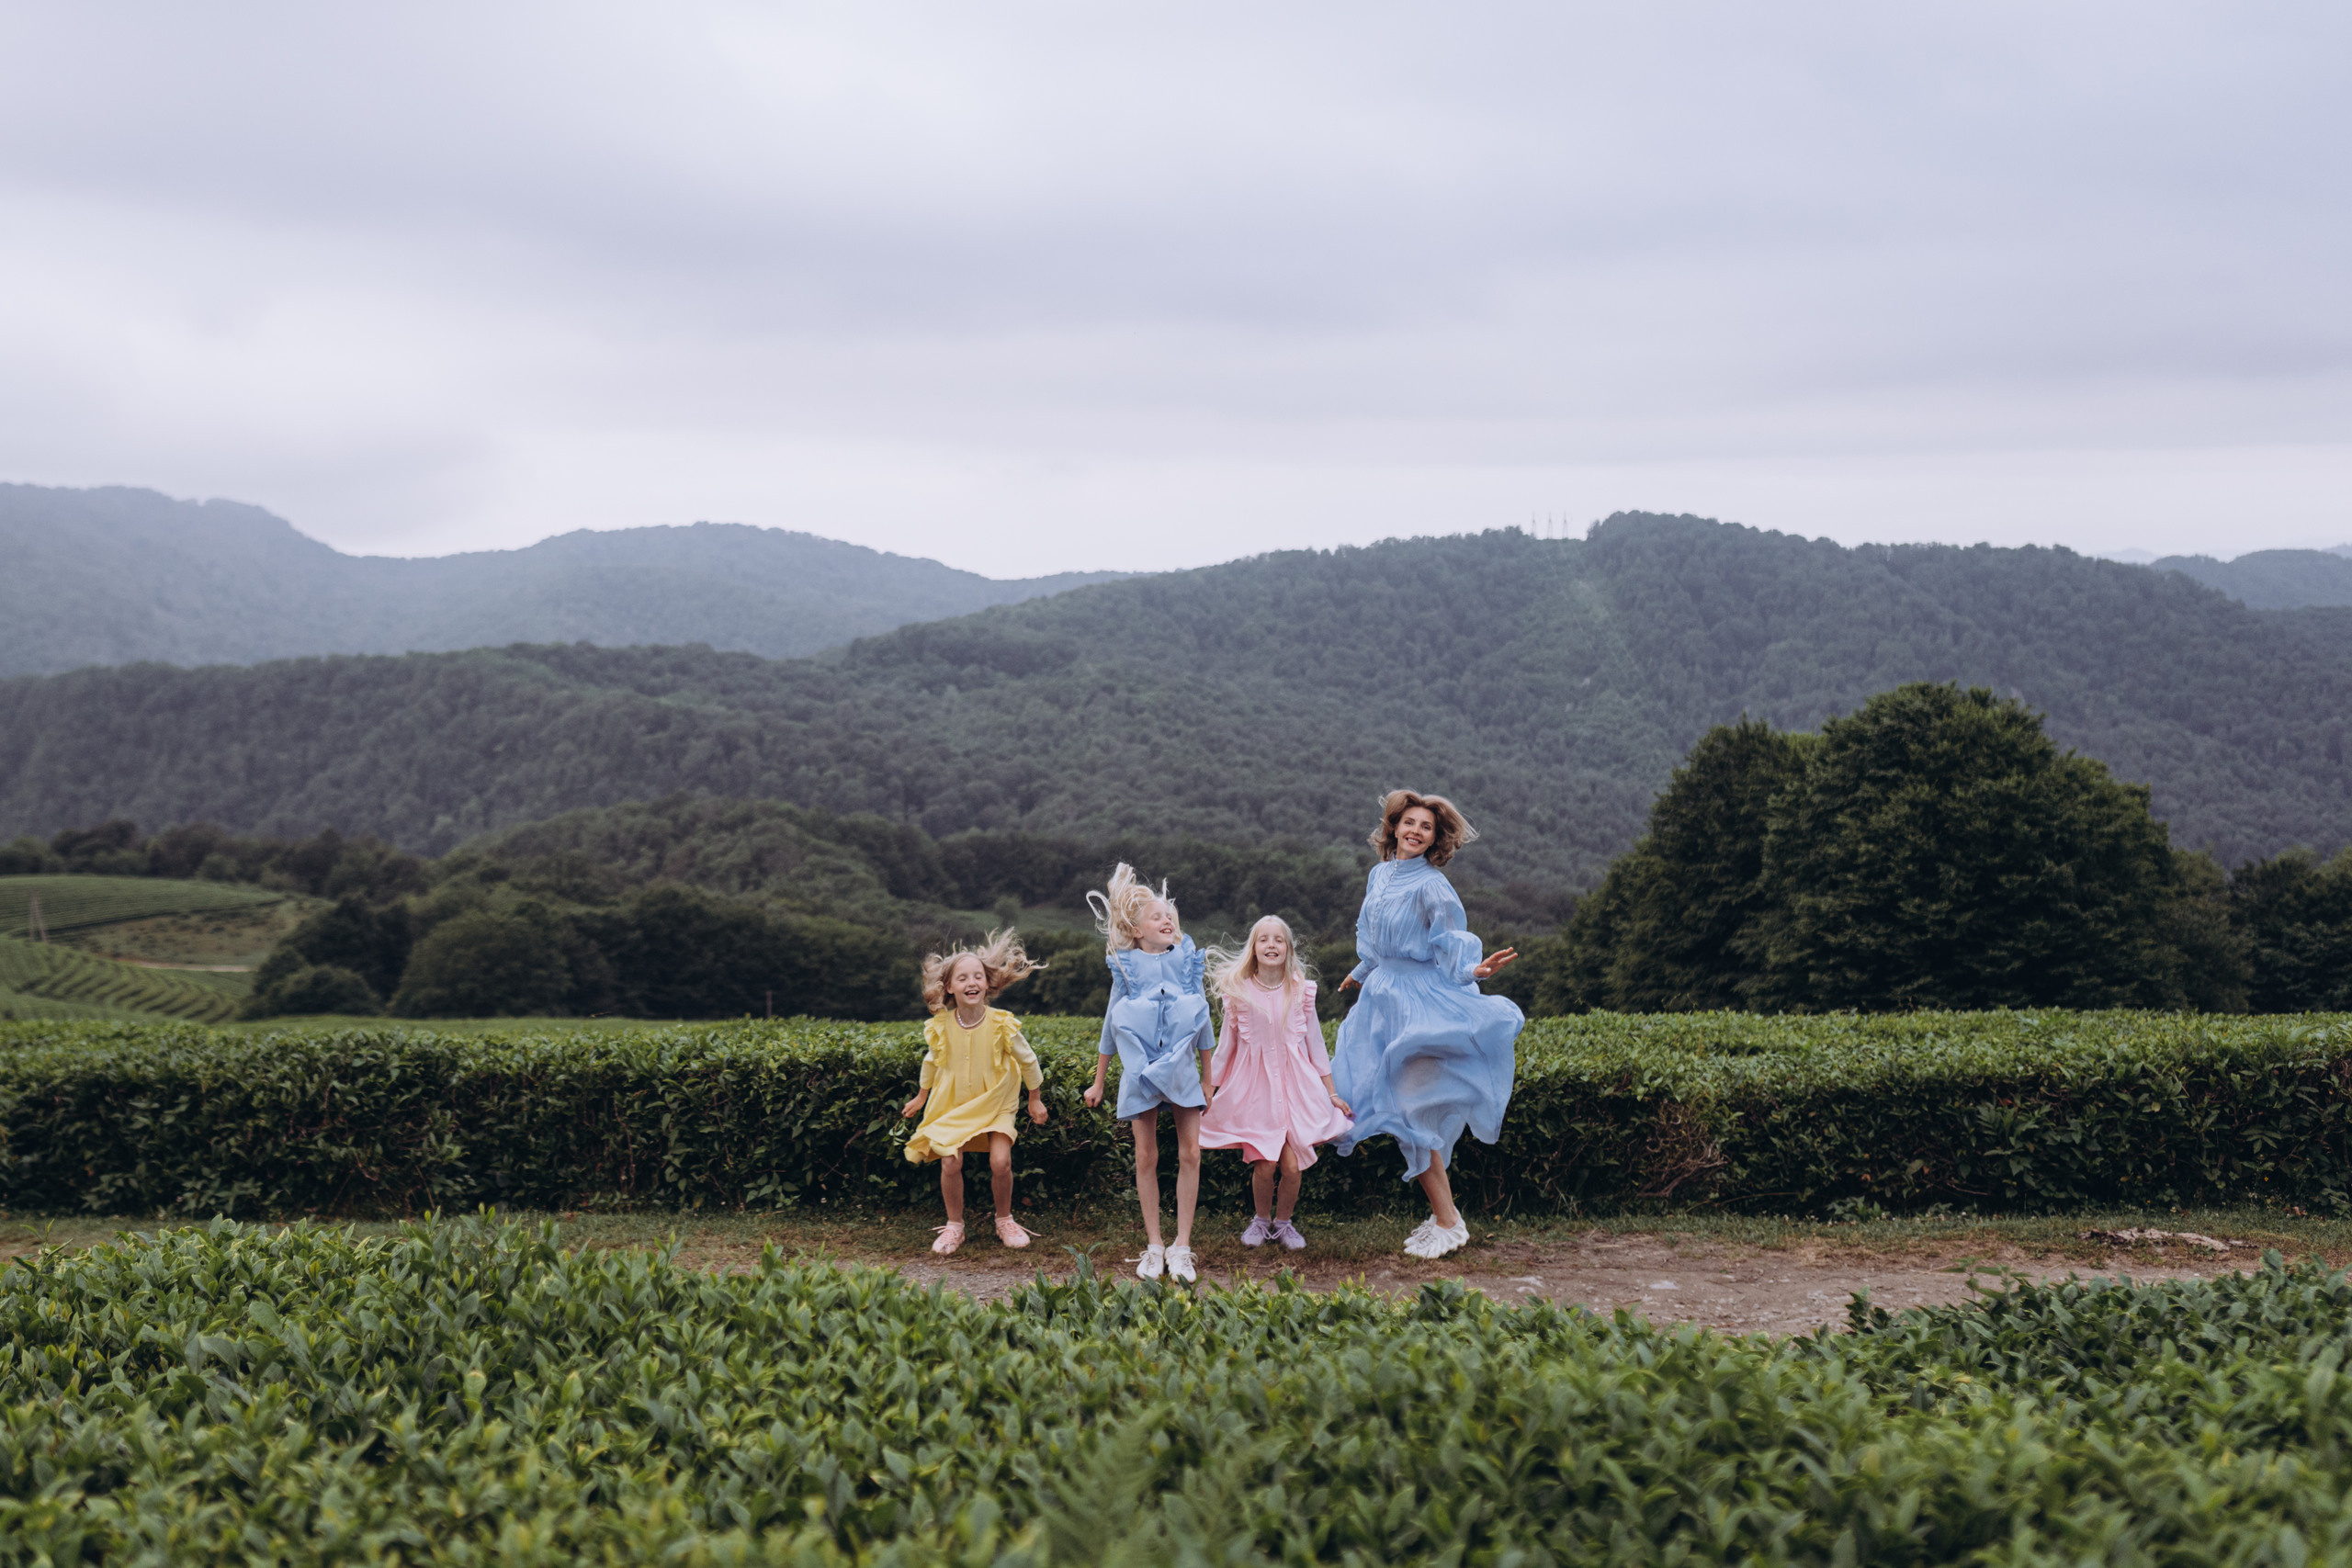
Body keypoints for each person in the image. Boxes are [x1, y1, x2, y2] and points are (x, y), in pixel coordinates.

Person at [1334, 790, 1522, 1259]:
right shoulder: (1380, 874)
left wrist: (1473, 972)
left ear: (1435, 839)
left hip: (1421, 1002)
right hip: (1381, 1000)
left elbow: (1450, 941)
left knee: (1411, 1110)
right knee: (1387, 1108)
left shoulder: (1432, 885)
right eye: (1410, 823)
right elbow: (1372, 936)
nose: (1416, 832)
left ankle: (1448, 1220)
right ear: (1394, 827)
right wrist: (1360, 972)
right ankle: (1445, 1215)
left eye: (1427, 827)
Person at [1080, 863, 1215, 1282]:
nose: (1167, 921)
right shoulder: (1125, 965)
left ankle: (1182, 1247)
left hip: (1181, 1068)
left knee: (1191, 1153)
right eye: (1157, 916)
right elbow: (1110, 1023)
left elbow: (1203, 1021)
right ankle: (1154, 1245)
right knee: (1146, 1155)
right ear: (1136, 929)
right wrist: (1099, 1080)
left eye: (1170, 917)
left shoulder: (1188, 960)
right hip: (1140, 1070)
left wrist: (1207, 1077)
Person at [1199, 915, 1353, 1250]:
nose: (1271, 945)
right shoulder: (1239, 992)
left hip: (1295, 1091)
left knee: (1293, 1166)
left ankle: (1283, 1224)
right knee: (1265, 1164)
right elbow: (1227, 1048)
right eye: (1264, 939)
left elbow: (1315, 1045)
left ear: (1288, 948)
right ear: (1253, 949)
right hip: (1256, 1093)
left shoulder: (1301, 990)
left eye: (1278, 940)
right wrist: (1209, 1090)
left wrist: (1332, 1093)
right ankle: (1260, 1220)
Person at [900, 930, 1049, 1255]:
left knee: (1000, 1162)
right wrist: (921, 1098)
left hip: (995, 1103)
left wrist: (1035, 1099)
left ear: (987, 984)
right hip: (951, 1105)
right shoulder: (942, 1024)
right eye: (963, 977)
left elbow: (1029, 1061)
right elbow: (931, 1062)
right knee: (950, 1163)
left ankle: (1004, 1220)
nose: (972, 982)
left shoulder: (1002, 1024)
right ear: (949, 987)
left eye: (978, 976)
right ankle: (955, 1226)